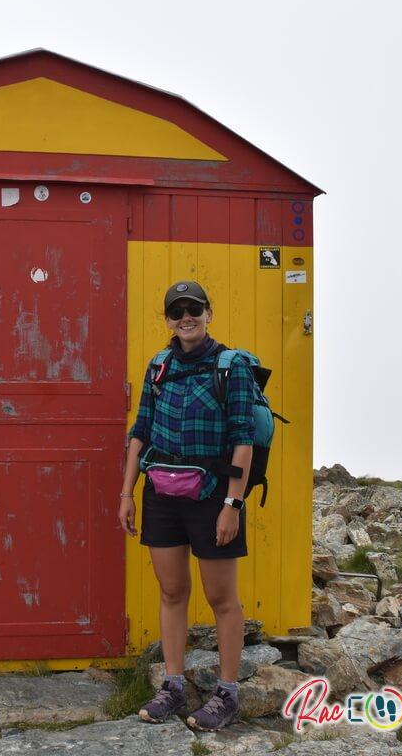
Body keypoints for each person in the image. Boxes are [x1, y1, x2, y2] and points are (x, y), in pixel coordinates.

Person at [117, 280, 255, 732]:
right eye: (177, 312)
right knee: (172, 591)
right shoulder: (158, 365)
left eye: (193, 308)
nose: (185, 318)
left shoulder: (230, 367)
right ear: (168, 320)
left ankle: (228, 693)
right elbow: (140, 431)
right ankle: (173, 687)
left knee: (220, 598)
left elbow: (243, 438)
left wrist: (232, 504)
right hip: (161, 493)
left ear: (209, 313)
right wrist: (127, 493)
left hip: (214, 494)